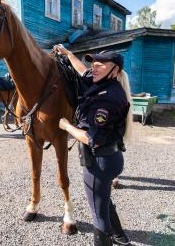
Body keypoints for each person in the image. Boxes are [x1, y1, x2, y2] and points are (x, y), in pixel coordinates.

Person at [53, 44, 133, 246]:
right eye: (94, 63)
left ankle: (109, 239)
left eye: (101, 64)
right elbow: (82, 70)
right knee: (103, 199)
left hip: (100, 162)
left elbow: (92, 138)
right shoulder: (102, 82)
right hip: (109, 159)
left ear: (115, 70)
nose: (95, 67)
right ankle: (121, 238)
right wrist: (69, 53)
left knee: (98, 214)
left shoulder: (106, 99)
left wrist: (67, 126)